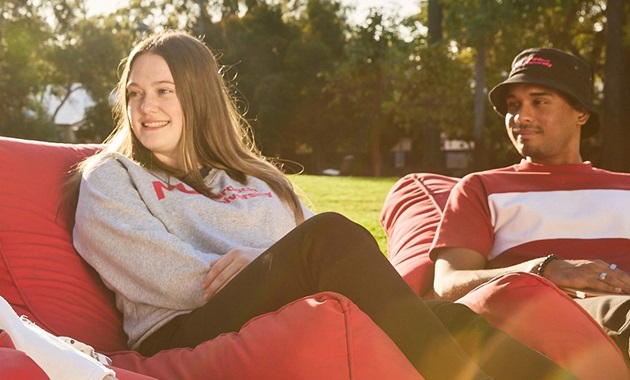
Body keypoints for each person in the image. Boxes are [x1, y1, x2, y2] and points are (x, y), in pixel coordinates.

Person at [69, 30, 574, 380]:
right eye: (134, 93)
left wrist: (269, 271)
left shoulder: (253, 177)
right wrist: (263, 273)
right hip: (179, 330)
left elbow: (325, 257)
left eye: (163, 91)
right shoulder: (112, 175)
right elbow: (145, 265)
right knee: (330, 235)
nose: (145, 107)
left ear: (199, 98)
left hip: (265, 305)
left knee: (447, 319)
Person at [430, 47, 630, 364]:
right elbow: (447, 284)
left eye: (539, 101)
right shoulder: (481, 188)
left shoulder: (626, 187)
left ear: (581, 112)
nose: (520, 117)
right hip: (547, 322)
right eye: (513, 105)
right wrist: (544, 270)